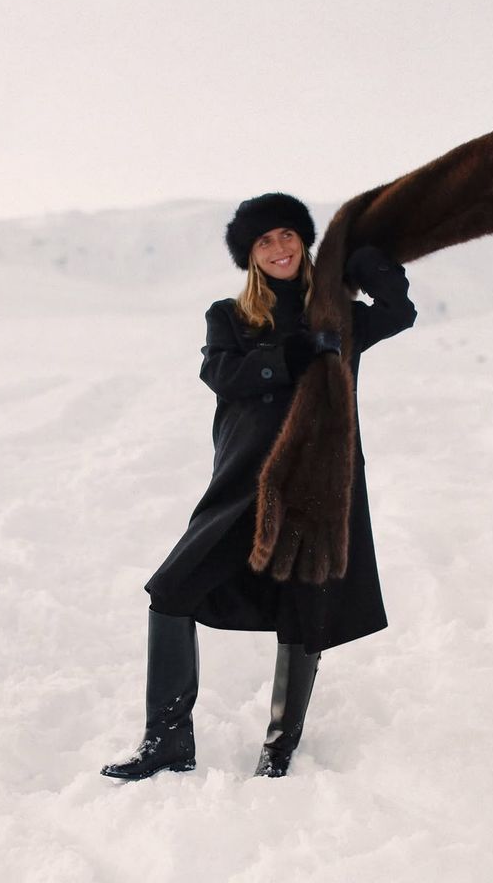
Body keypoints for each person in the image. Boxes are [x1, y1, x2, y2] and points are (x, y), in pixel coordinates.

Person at [101, 193, 417, 781]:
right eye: (264, 241)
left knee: (306, 609)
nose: (279, 248)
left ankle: (280, 745)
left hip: (321, 480)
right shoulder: (230, 316)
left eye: (287, 236)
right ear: (250, 256)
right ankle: (167, 739)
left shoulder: (339, 314)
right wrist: (291, 354)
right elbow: (222, 374)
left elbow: (399, 313)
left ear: (304, 241)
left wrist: (369, 265)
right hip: (247, 481)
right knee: (172, 590)